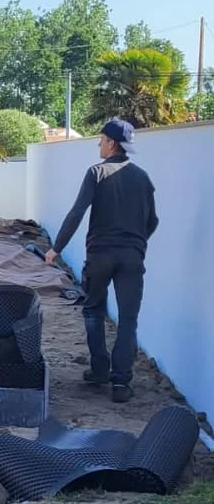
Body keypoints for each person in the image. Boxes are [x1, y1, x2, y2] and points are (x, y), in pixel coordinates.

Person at [44, 118, 158, 404]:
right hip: (132, 257)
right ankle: (121, 383)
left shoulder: (96, 173)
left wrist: (55, 249)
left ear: (111, 143)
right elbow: (152, 221)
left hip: (100, 256)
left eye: (101, 139)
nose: (98, 143)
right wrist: (137, 244)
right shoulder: (142, 177)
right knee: (128, 320)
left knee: (93, 311)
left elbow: (76, 213)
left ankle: (99, 370)